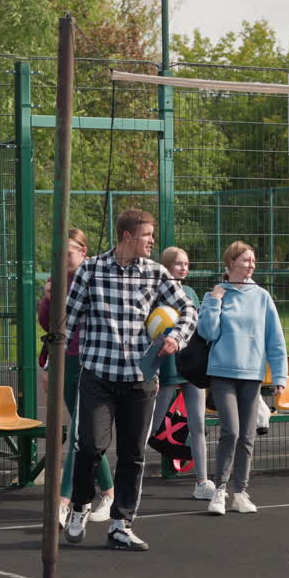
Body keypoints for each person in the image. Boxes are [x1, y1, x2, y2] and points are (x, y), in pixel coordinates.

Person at [61, 208, 198, 551]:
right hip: (98, 376)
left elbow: (189, 309)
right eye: (147, 235)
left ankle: (121, 524)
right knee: (90, 446)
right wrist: (51, 354)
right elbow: (68, 319)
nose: (152, 241)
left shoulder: (156, 273)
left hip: (139, 380)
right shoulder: (91, 270)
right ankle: (79, 506)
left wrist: (176, 338)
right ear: (127, 236)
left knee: (133, 455)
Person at [197, 240, 287, 516]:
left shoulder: (262, 297)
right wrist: (214, 301)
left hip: (252, 376)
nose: (251, 265)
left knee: (248, 436)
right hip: (222, 373)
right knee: (231, 431)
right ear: (231, 263)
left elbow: (275, 339)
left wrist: (279, 375)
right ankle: (220, 492)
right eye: (246, 260)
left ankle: (241, 492)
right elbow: (207, 333)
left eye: (253, 261)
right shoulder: (216, 294)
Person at [37, 228, 115, 527]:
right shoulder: (57, 281)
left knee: (82, 432)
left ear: (83, 251)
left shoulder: (96, 277)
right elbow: (49, 326)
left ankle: (63, 502)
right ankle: (108, 493)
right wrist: (47, 298)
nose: (61, 259)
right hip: (66, 362)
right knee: (84, 435)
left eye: (67, 253)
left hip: (92, 361)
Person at [148, 246, 214, 499]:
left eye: (186, 264)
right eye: (178, 264)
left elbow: (196, 330)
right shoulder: (155, 294)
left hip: (190, 368)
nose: (184, 268)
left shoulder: (189, 294)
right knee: (150, 428)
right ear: (165, 266)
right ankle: (130, 479)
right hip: (165, 367)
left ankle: (202, 482)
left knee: (197, 425)